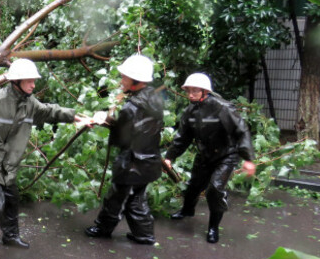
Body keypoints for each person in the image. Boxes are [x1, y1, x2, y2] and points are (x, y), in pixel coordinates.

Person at [0, 58, 84, 259]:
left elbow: (49, 111)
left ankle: (10, 236)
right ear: (16, 81)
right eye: (29, 81)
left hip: (9, 163)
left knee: (11, 201)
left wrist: (76, 117)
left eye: (34, 81)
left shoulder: (30, 103)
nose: (33, 85)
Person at [163, 73, 256, 243]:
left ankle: (213, 227)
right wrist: (169, 157)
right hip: (204, 154)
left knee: (215, 190)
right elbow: (182, 138)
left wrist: (248, 159)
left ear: (205, 91)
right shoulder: (189, 111)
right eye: (188, 91)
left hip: (226, 155)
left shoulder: (223, 108)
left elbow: (241, 131)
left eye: (195, 91)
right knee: (193, 186)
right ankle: (187, 210)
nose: (190, 94)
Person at [84, 54, 164, 245]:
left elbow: (121, 138)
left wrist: (106, 120)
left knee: (117, 197)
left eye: (124, 78)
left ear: (136, 81)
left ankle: (103, 229)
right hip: (149, 159)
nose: (121, 81)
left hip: (133, 162)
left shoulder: (131, 107)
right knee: (136, 198)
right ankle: (144, 234)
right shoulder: (154, 98)